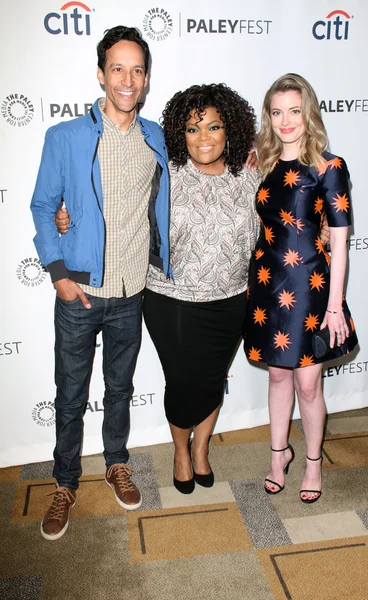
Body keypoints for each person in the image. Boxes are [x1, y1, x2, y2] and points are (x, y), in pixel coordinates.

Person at [30, 25, 171, 540]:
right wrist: (59, 274)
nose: (127, 79)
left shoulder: (156, 137)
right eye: (118, 68)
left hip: (132, 292)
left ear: (147, 79)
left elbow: (198, 167)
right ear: (101, 74)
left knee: (119, 388)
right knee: (70, 395)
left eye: (137, 70)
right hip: (80, 295)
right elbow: (45, 207)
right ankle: (65, 482)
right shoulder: (65, 137)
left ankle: (116, 462)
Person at [244, 73, 358, 503]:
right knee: (277, 375)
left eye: (294, 111)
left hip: (311, 286)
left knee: (308, 384)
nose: (286, 121)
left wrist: (336, 307)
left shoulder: (330, 167)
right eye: (277, 112)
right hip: (267, 283)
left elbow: (341, 245)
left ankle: (312, 462)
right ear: (268, 117)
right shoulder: (263, 162)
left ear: (307, 113)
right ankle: (278, 455)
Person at [143, 84, 260, 493]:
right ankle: (180, 451)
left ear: (230, 130)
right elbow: (117, 210)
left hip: (230, 299)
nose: (205, 138)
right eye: (194, 129)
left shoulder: (250, 174)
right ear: (180, 134)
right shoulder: (164, 173)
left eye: (214, 127)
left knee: (212, 380)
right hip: (171, 299)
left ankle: (201, 449)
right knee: (182, 381)